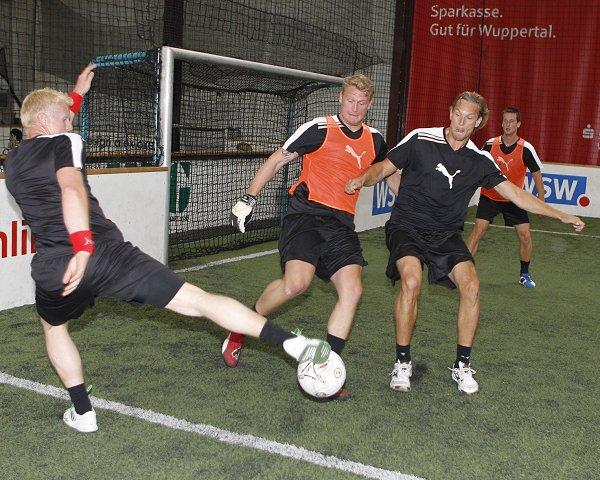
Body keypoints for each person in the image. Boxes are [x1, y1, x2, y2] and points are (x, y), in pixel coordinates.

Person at [4, 65, 331, 433]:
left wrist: (76, 95)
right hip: (103, 252)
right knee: (198, 301)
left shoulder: (13, 161)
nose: (72, 124)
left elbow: (46, 124)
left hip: (54, 268)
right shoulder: (67, 141)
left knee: (54, 328)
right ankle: (292, 344)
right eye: (67, 119)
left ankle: (83, 412)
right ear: (49, 122)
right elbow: (71, 189)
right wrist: (83, 245)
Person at [345, 92, 585, 395]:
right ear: (450, 112)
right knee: (411, 280)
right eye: (458, 114)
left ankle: (461, 365)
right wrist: (362, 179)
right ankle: (402, 362)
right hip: (407, 226)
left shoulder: (479, 160)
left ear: (479, 121)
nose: (461, 122)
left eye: (469, 117)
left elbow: (516, 195)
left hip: (445, 234)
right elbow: (384, 167)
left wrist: (561, 214)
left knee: (471, 285)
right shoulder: (421, 139)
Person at [226, 74, 388, 400]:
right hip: (307, 216)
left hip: (342, 225)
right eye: (350, 100)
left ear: (369, 105)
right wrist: (248, 198)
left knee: (352, 291)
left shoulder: (375, 139)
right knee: (296, 285)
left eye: (361, 103)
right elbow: (277, 158)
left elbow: (389, 172)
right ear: (341, 99)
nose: (355, 108)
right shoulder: (319, 128)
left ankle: (325, 366)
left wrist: (410, 209)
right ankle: (243, 326)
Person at [466, 106, 545, 288]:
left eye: (511, 121)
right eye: (504, 121)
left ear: (518, 124)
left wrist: (541, 201)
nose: (507, 124)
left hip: (514, 199)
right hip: (490, 195)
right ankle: (464, 270)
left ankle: (524, 274)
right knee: (478, 230)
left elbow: (537, 174)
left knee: (525, 235)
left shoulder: (526, 148)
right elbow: (475, 168)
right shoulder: (489, 144)